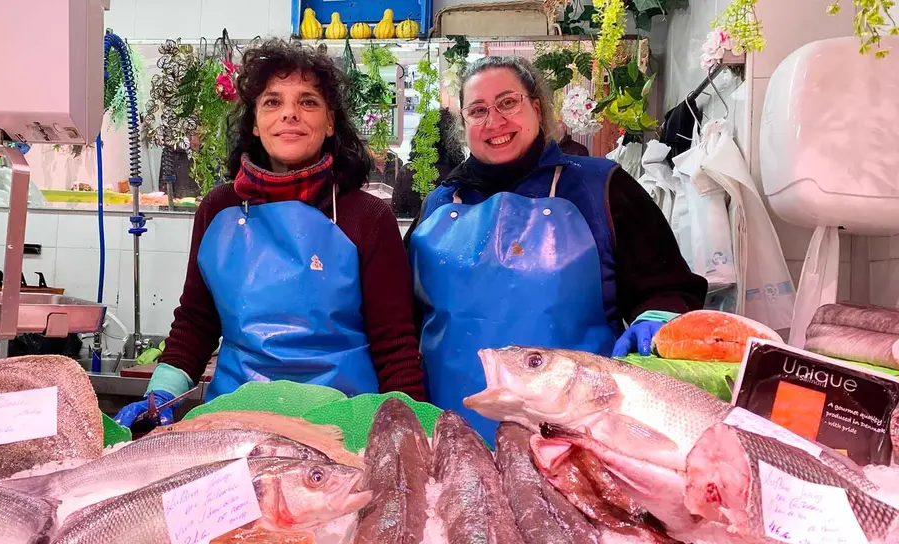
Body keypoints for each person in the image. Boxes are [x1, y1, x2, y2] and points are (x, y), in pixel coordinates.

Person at [115, 40, 425, 428]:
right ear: (255, 124)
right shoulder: (218, 208)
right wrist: (160, 394)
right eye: (273, 102)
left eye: (308, 102)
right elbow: (196, 322)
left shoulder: (368, 216)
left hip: (343, 426)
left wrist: (410, 426)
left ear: (330, 123)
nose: (290, 114)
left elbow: (395, 345)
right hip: (236, 424)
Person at [405, 57, 706, 437]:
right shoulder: (438, 204)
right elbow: (400, 319)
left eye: (507, 103)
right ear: (463, 125)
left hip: (580, 431)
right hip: (452, 426)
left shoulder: (602, 187)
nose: (494, 121)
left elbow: (667, 287)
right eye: (478, 110)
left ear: (537, 107)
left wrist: (656, 318)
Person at [392, 108, 467, 218]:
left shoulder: (408, 172)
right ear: (452, 138)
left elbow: (397, 213)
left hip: (414, 228)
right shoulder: (460, 174)